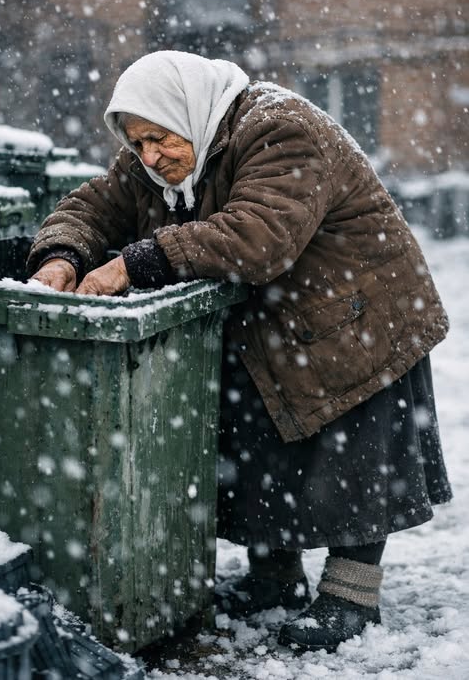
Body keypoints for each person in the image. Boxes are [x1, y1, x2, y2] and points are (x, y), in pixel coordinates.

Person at [28, 50, 452, 652]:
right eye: (137, 142)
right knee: (260, 445)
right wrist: (61, 255)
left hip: (356, 320)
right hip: (277, 325)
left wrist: (134, 263)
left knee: (355, 461)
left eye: (159, 139)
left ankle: (351, 598)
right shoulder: (159, 154)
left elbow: (260, 236)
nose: (150, 156)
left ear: (188, 111)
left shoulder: (280, 129)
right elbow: (93, 206)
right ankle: (273, 580)